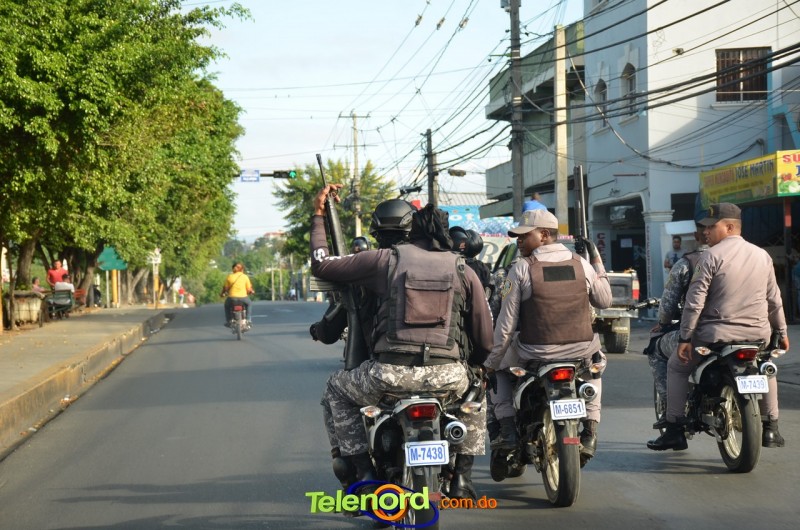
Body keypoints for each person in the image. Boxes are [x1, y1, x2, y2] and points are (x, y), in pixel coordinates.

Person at [311, 184, 493, 500]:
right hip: (447, 378)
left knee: (336, 390)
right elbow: (485, 337)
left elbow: (322, 264)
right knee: (477, 396)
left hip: (388, 376)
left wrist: (318, 215)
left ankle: (365, 475)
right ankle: (463, 477)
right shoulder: (462, 268)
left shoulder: (383, 260)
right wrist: (475, 367)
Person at [648, 203, 790, 451]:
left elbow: (694, 302)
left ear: (730, 227)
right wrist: (782, 332)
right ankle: (771, 427)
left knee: (677, 366)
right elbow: (774, 300)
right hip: (757, 335)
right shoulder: (762, 256)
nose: (706, 232)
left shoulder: (710, 257)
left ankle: (674, 429)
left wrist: (685, 338)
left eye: (712, 227)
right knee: (765, 366)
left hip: (714, 336)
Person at [483, 209, 612, 468]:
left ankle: (507, 430)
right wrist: (597, 261)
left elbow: (506, 325)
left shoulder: (521, 268)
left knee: (499, 371)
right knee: (594, 368)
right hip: (580, 351)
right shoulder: (581, 263)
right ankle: (590, 430)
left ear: (544, 235)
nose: (519, 241)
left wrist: (490, 363)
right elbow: (605, 300)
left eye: (524, 236)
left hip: (536, 352)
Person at [647, 224, 708, 428]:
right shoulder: (747, 259)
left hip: (701, 331)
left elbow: (669, 302)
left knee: (656, 348)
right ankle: (770, 423)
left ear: (697, 235)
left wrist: (663, 323)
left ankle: (670, 412)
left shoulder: (688, 263)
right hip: (750, 331)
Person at [220, 262, 254, 326]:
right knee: (249, 304)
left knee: (226, 306)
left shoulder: (230, 277)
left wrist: (222, 294)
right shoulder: (245, 277)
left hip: (232, 298)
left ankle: (229, 321)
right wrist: (251, 292)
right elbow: (249, 289)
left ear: (233, 269)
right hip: (243, 298)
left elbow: (225, 288)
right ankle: (248, 320)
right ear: (242, 269)